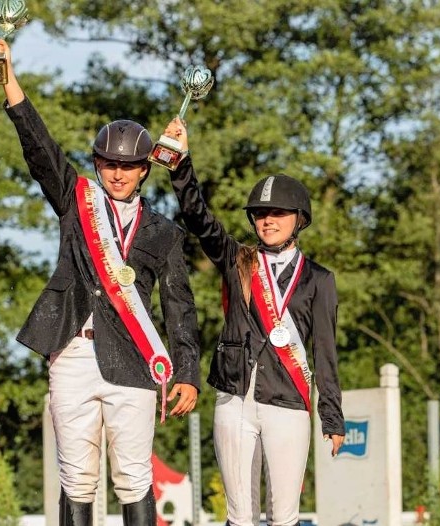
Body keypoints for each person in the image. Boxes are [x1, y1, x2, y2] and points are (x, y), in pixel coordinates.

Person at [0, 38, 201, 526]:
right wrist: (9, 82)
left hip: (136, 356)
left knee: (132, 477)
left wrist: (187, 371)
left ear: (145, 168)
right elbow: (40, 152)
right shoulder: (75, 201)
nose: (118, 172)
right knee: (76, 478)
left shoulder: (165, 233)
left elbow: (179, 307)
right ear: (97, 164)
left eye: (128, 165)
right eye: (109, 163)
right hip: (74, 352)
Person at [162, 118, 344, 526]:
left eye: (277, 213)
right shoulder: (238, 259)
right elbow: (200, 219)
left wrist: (331, 417)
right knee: (239, 513)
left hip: (288, 401)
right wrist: (179, 164)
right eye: (260, 214)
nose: (267, 220)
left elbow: (325, 351)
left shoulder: (319, 279)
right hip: (234, 398)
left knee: (284, 514)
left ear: (299, 218)